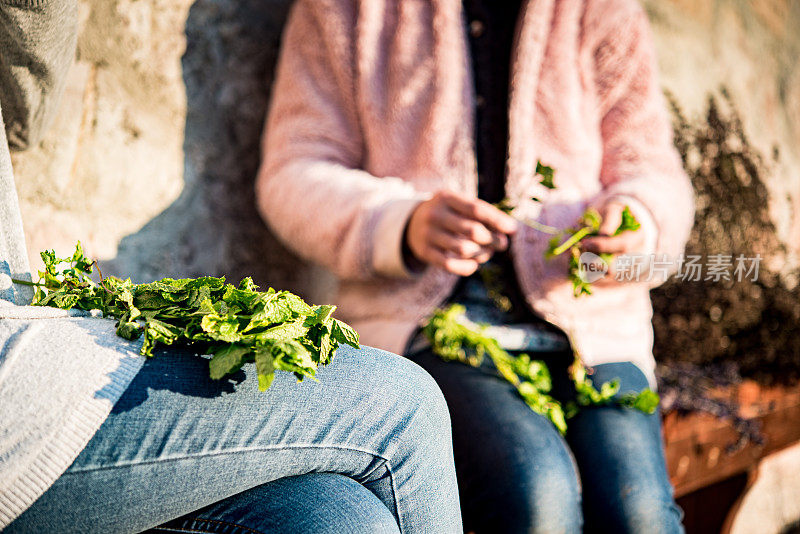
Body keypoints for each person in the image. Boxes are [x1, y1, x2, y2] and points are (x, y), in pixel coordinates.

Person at [0, 2, 461, 532]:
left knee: (340, 518)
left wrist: (583, 263)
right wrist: (400, 223)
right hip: (14, 401)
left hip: (572, 336)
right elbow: (27, 91)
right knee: (404, 405)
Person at [257, 0, 694, 532]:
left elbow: (650, 166)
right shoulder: (342, 9)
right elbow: (292, 169)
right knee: (537, 497)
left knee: (641, 514)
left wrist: (637, 224)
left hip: (597, 329)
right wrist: (401, 222)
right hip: (430, 328)